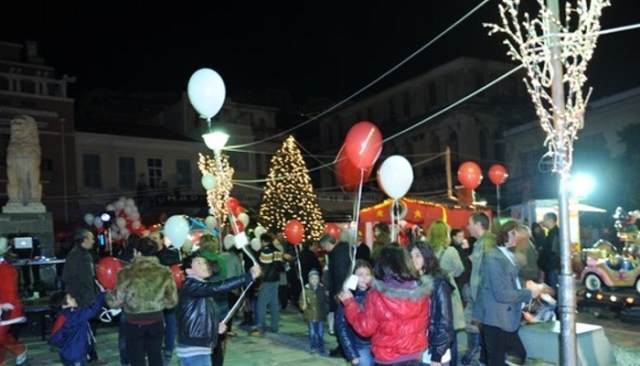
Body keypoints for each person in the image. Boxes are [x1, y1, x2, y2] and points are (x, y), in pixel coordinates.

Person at [338, 244, 432, 365]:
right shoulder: (420, 291)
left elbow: (366, 328)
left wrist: (350, 303)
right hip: (415, 354)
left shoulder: (377, 295)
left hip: (388, 357)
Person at [472, 221, 545, 366]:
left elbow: (511, 283)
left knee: (513, 356)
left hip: (504, 318)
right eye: (518, 233)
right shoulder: (494, 258)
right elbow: (501, 294)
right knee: (507, 358)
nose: (522, 238)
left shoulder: (507, 255)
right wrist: (528, 293)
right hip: (495, 318)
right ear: (509, 233)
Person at [176, 251, 261, 366]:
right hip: (194, 349)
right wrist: (248, 276)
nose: (204, 266)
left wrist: (214, 326)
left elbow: (201, 314)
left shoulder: (198, 287)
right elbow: (217, 287)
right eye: (198, 263)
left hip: (199, 346)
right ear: (189, 271)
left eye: (204, 263)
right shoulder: (192, 285)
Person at [106, 237, 178, 366]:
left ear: (136, 252)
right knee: (155, 356)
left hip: (133, 321)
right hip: (156, 319)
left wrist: (107, 294)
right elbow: (171, 302)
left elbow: (115, 302)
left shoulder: (126, 273)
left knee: (136, 358)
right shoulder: (165, 272)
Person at [62, 229, 106, 365]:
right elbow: (68, 277)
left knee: (90, 330)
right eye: (91, 238)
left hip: (89, 298)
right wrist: (79, 297)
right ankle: (87, 357)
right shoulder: (75, 255)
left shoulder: (86, 254)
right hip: (82, 301)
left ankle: (91, 356)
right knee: (85, 331)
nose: (94, 241)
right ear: (84, 239)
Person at [408, 241, 455, 366]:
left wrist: (437, 356)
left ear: (426, 256)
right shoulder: (411, 282)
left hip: (433, 352)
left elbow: (445, 322)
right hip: (415, 350)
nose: (413, 260)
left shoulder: (438, 282)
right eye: (411, 256)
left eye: (418, 255)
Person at [461, 212, 496, 366]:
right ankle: (476, 355)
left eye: (469, 223)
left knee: (487, 336)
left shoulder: (488, 243)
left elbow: (489, 272)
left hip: (485, 299)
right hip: (478, 298)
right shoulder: (479, 243)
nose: (467, 227)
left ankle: (477, 355)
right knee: (475, 328)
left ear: (477, 225)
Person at [48, 283, 106, 366]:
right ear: (64, 305)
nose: (74, 299)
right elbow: (92, 309)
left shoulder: (63, 316)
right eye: (70, 298)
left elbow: (87, 309)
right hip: (76, 355)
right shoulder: (72, 315)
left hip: (69, 353)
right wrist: (102, 293)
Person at [426, 221, 466, 335]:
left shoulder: (426, 252)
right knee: (450, 328)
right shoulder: (451, 251)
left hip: (429, 289)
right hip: (448, 289)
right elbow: (459, 271)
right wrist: (450, 273)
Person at [152, 229, 182, 366]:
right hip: (154, 297)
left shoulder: (170, 255)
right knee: (156, 324)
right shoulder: (148, 256)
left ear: (161, 240)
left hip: (169, 295)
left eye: (155, 238)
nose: (152, 241)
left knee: (170, 323)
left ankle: (169, 350)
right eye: (150, 238)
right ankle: (156, 351)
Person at [320, 231, 352, 358]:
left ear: (328, 244)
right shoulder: (341, 252)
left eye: (323, 247)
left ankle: (343, 348)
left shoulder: (337, 255)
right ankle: (343, 347)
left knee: (340, 322)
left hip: (340, 293)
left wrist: (339, 293)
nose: (323, 249)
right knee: (342, 321)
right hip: (342, 291)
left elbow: (339, 275)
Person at [335, 260, 373, 366]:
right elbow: (342, 327)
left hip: (377, 346)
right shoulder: (348, 297)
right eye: (360, 275)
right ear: (353, 278)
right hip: (359, 347)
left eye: (367, 274)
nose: (364, 277)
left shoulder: (376, 295)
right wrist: (352, 354)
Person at [0, 237, 27, 365]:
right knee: (2, 336)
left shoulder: (5, 268)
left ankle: (19, 349)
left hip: (6, 309)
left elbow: (10, 290)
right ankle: (19, 349)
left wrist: (7, 305)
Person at [250, 233, 284, 336]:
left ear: (263, 241)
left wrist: (260, 283)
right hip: (276, 280)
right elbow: (280, 267)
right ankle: (275, 326)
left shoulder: (265, 252)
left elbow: (264, 269)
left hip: (267, 281)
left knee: (262, 305)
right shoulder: (278, 252)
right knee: (274, 304)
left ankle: (261, 326)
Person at [299, 269, 328, 354]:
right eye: (312, 278)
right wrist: (302, 306)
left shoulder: (322, 289)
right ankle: (313, 346)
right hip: (310, 315)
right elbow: (301, 301)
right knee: (312, 333)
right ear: (309, 280)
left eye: (316, 278)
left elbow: (326, 301)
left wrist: (327, 297)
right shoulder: (305, 290)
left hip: (320, 315)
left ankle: (321, 346)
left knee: (320, 333)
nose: (314, 280)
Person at [538, 212, 560, 292]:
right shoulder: (552, 233)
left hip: (552, 268)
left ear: (551, 220)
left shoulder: (555, 234)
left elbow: (554, 253)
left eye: (544, 219)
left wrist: (548, 265)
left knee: (552, 291)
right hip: (551, 268)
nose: (543, 222)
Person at [450, 228, 472, 296]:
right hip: (459, 277)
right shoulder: (453, 249)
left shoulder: (462, 247)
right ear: (454, 237)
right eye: (459, 236)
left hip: (466, 276)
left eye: (463, 236)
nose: (462, 238)